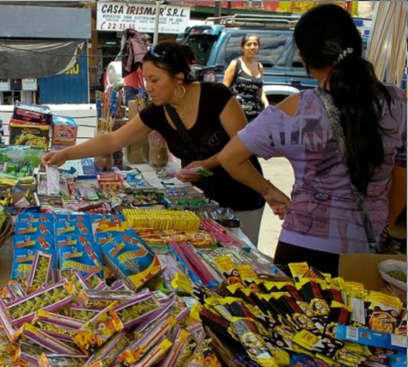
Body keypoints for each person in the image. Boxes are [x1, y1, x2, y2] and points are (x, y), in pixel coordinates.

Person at [218, 4, 406, 276]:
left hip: (302, 249)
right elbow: (402, 178)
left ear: (305, 59)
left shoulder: (296, 108)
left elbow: (229, 157)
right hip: (368, 249)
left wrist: (270, 192)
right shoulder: (397, 102)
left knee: (299, 319)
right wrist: (381, 223)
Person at [42, 42, 266, 245]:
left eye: (155, 80)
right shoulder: (159, 111)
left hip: (243, 194)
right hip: (203, 199)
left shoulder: (216, 96)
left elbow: (242, 145)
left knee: (244, 254)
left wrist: (207, 163)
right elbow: (113, 139)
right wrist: (67, 154)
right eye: (146, 79)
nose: (148, 87)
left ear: (178, 77)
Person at [222, 34, 269, 122]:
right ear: (242, 48)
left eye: (255, 44)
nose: (252, 47)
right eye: (248, 44)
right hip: (236, 114)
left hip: (254, 115)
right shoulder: (235, 64)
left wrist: (266, 103)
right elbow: (224, 89)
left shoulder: (259, 67)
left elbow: (260, 90)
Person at [123, 33, 151, 104]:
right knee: (133, 107)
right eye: (146, 45)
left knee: (135, 107)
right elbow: (140, 71)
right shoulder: (137, 53)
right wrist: (143, 87)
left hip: (133, 86)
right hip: (131, 86)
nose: (146, 48)